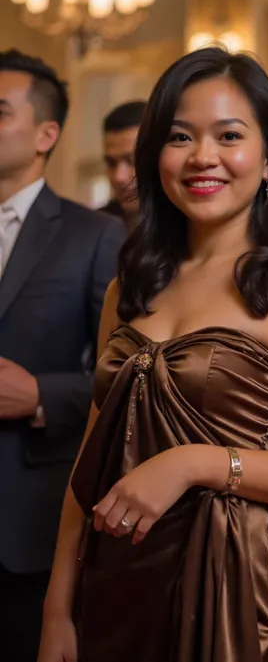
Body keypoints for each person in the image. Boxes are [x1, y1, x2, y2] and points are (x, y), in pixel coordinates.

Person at [38, 46, 268, 662]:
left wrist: (197, 462)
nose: (202, 157)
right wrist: (58, 609)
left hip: (235, 587)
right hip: (115, 582)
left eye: (230, 135)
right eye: (180, 136)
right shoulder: (129, 285)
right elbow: (91, 460)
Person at [0, 49, 125, 662]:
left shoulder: (94, 235)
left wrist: (43, 396)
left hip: (25, 506)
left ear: (46, 133)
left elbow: (125, 373)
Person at [100, 100, 146, 232]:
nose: (119, 177)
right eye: (111, 163)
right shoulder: (92, 229)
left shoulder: (194, 227)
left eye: (132, 161)